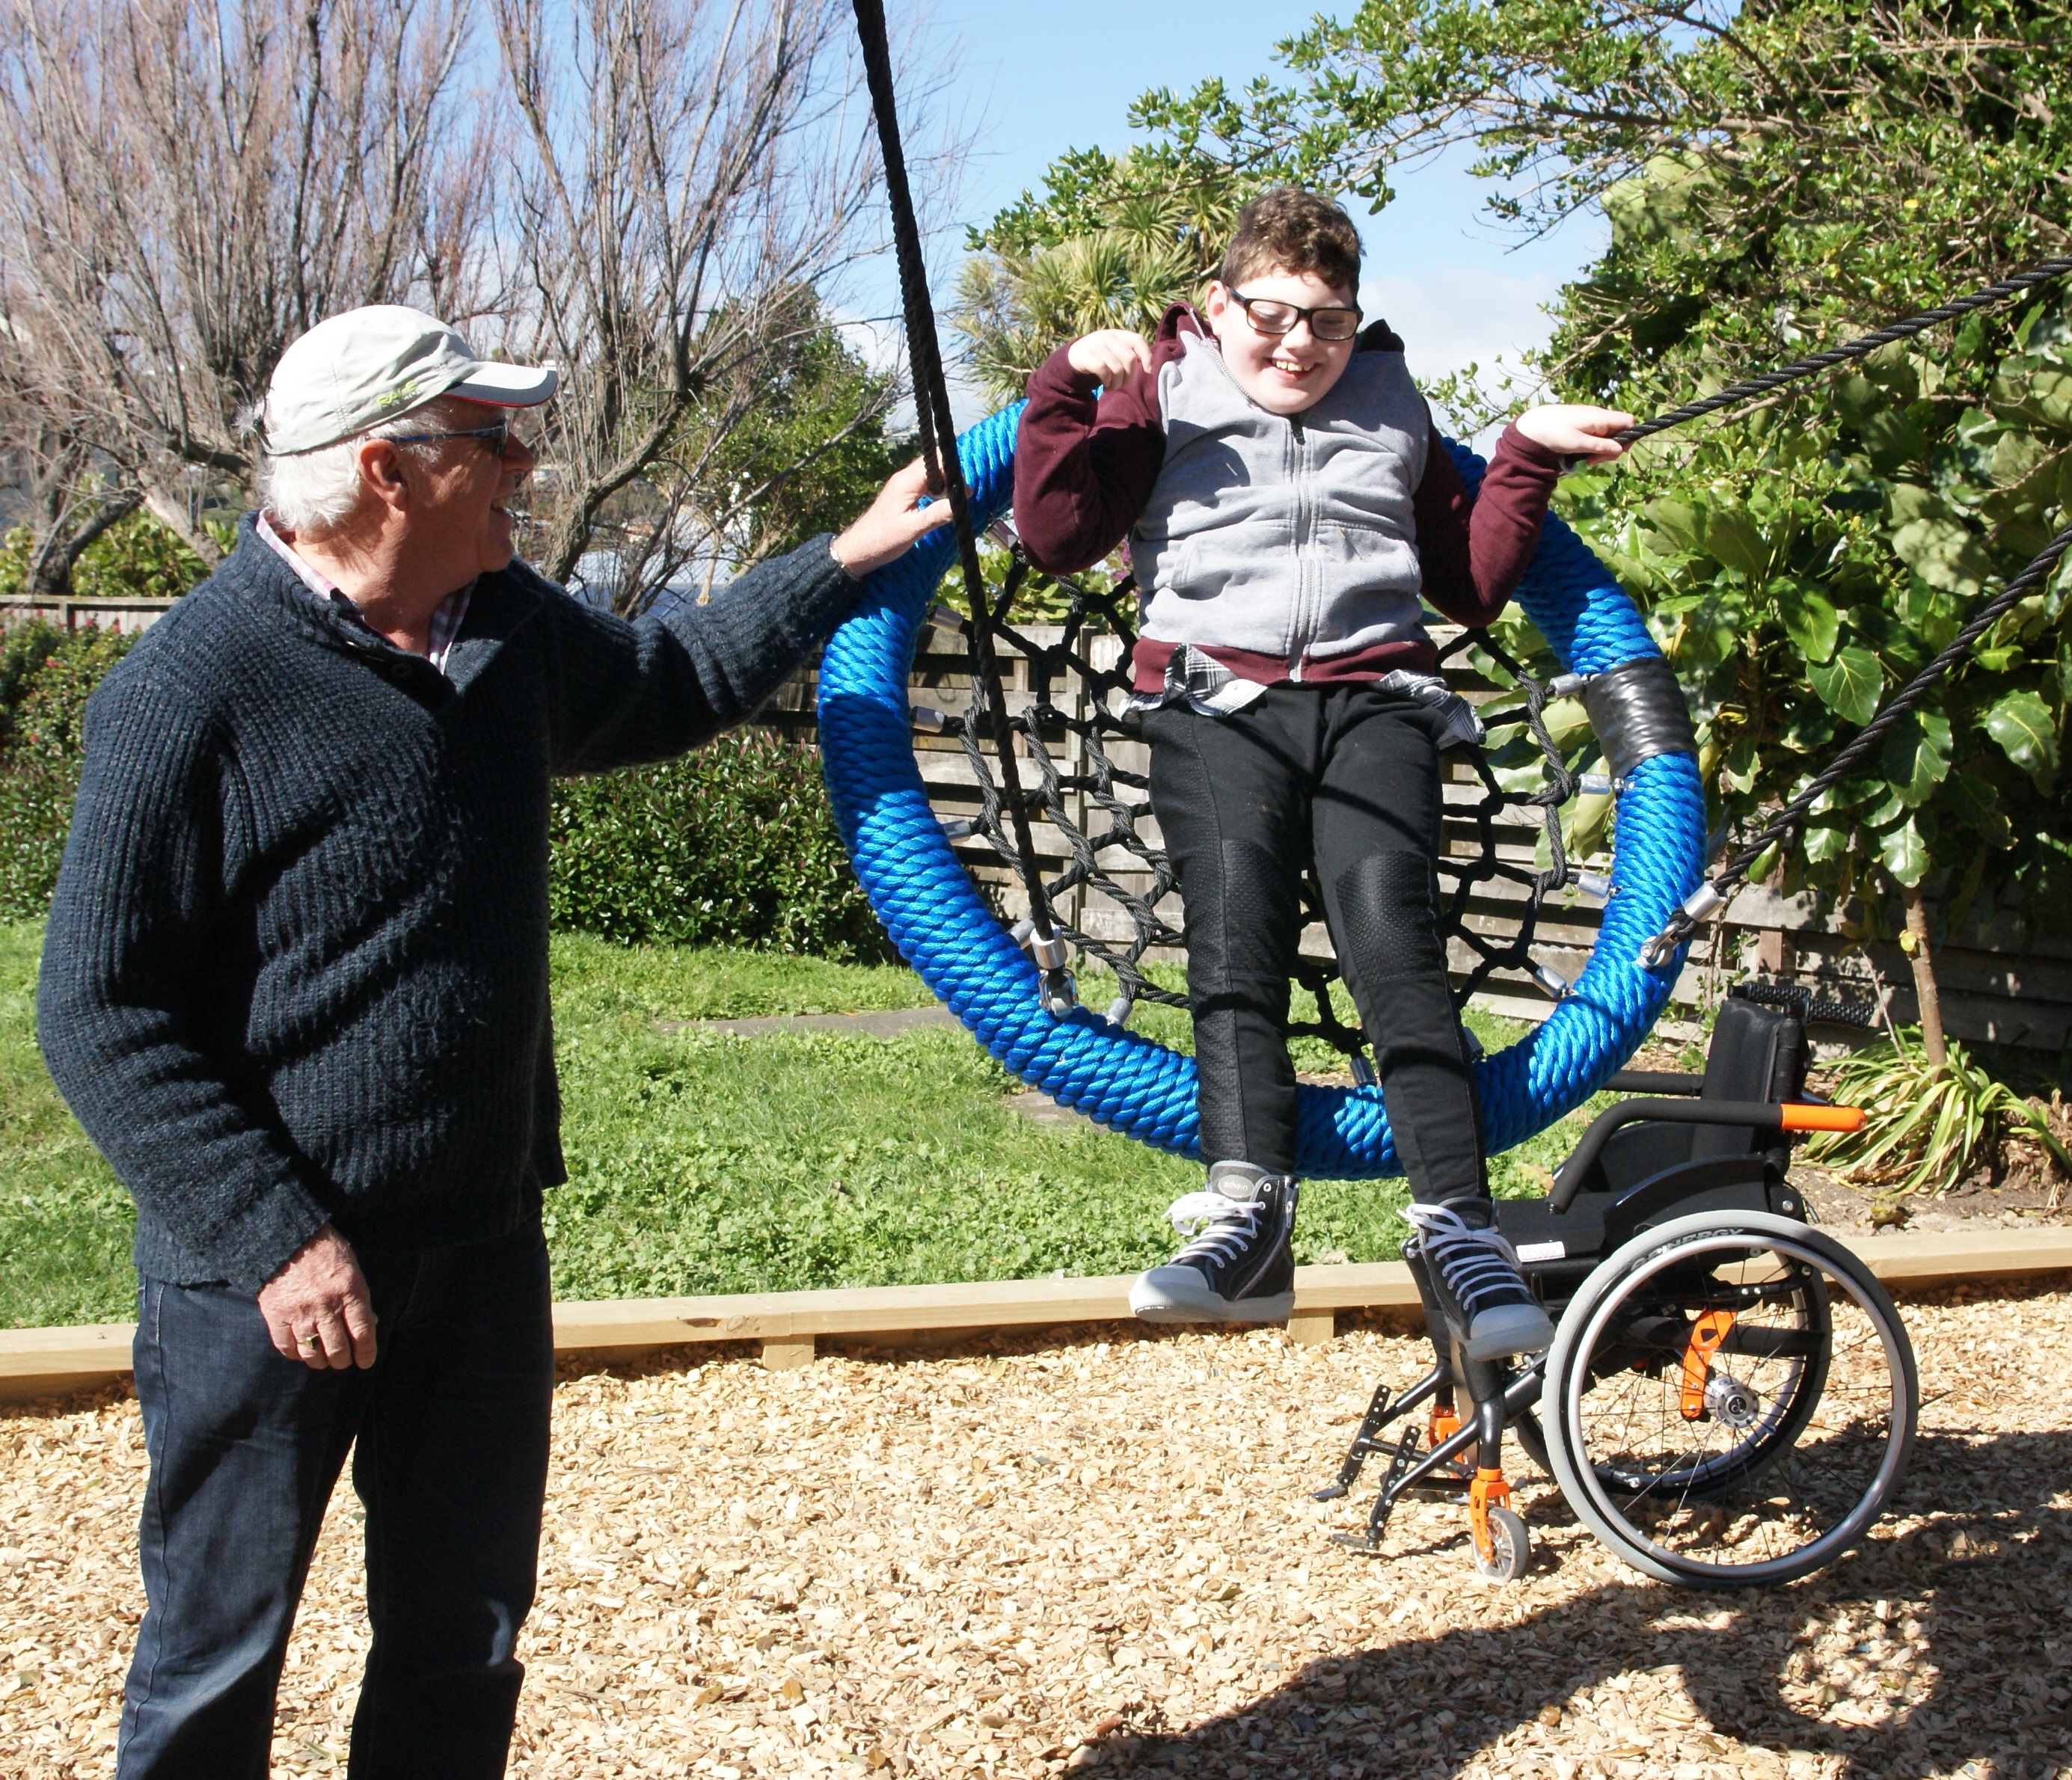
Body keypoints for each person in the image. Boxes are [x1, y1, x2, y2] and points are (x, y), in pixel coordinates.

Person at [35, 304, 947, 1779]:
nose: (527, 459)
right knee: (215, 1654)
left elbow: (665, 678)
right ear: (390, 471)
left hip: (474, 1237)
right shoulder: (190, 687)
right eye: (495, 436)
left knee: (460, 1644)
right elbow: (96, 1005)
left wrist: (837, 563)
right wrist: (277, 1238)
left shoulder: (506, 631)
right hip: (261, 1272)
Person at [1012, 189, 1632, 1360]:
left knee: (1390, 932)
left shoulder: (1390, 398)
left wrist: (1522, 457)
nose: (1298, 344)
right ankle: (1249, 1218)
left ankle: (1457, 1226)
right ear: (1217, 304)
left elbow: (1467, 583)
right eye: (1272, 314)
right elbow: (1055, 536)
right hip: (1213, 703)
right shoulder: (1161, 386)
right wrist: (1060, 392)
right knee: (1232, 921)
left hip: (1372, 701)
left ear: (1356, 321)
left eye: (1327, 321)